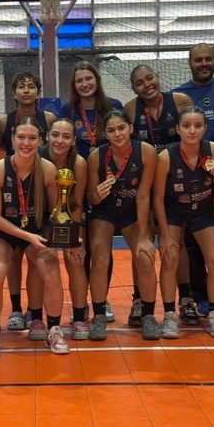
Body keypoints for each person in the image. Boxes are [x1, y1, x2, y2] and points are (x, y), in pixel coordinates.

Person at [0, 116, 71, 360]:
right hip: (3, 231)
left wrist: (68, 237)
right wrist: (26, 236)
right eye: (21, 137)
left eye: (32, 138)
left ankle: (54, 330)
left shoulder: (48, 170)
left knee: (52, 272)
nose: (26, 143)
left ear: (40, 141)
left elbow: (57, 212)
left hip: (36, 231)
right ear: (12, 139)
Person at [153, 106, 214, 339]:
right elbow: (157, 199)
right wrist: (165, 235)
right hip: (174, 211)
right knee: (170, 258)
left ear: (205, 128)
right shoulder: (165, 157)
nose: (192, 131)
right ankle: (170, 316)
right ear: (178, 129)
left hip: (203, 211)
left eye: (198, 126)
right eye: (187, 126)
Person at [0, 71, 55, 332]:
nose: (26, 90)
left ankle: (36, 314)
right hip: (12, 187)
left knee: (40, 263)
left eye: (31, 86)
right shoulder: (4, 123)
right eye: (21, 86)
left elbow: (61, 144)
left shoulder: (49, 119)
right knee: (9, 260)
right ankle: (14, 309)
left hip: (36, 185)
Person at [123, 64, 192, 326]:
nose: (146, 85)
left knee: (176, 242)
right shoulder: (131, 109)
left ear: (158, 77)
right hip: (144, 183)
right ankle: (139, 300)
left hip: (176, 182)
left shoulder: (181, 101)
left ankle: (186, 299)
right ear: (134, 89)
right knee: (141, 243)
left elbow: (193, 134)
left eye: (149, 78)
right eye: (139, 83)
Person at [57, 60, 123, 322]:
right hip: (75, 184)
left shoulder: (113, 106)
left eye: (89, 78)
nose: (85, 84)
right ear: (74, 86)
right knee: (78, 245)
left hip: (106, 184)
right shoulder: (68, 110)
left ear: (97, 80)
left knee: (101, 248)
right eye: (79, 80)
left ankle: (101, 299)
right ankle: (80, 303)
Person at [85, 110, 159, 340]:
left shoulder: (146, 151)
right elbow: (90, 197)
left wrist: (144, 236)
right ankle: (99, 316)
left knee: (144, 256)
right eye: (111, 130)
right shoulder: (96, 156)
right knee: (99, 258)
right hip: (104, 211)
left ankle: (148, 315)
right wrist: (97, 194)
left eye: (121, 128)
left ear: (131, 128)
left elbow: (144, 196)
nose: (117, 134)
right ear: (105, 134)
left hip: (132, 211)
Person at [172, 45, 214, 326]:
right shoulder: (179, 95)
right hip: (183, 177)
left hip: (213, 174)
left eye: (208, 59)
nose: (204, 63)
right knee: (184, 251)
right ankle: (193, 300)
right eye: (198, 59)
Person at [41, 117, 90, 339]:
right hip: (44, 220)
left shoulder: (78, 163)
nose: (60, 140)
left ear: (73, 141)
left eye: (66, 136)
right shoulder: (38, 158)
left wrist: (74, 239)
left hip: (71, 218)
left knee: (76, 260)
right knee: (44, 262)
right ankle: (37, 316)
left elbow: (77, 203)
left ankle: (79, 318)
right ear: (47, 136)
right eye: (55, 135)